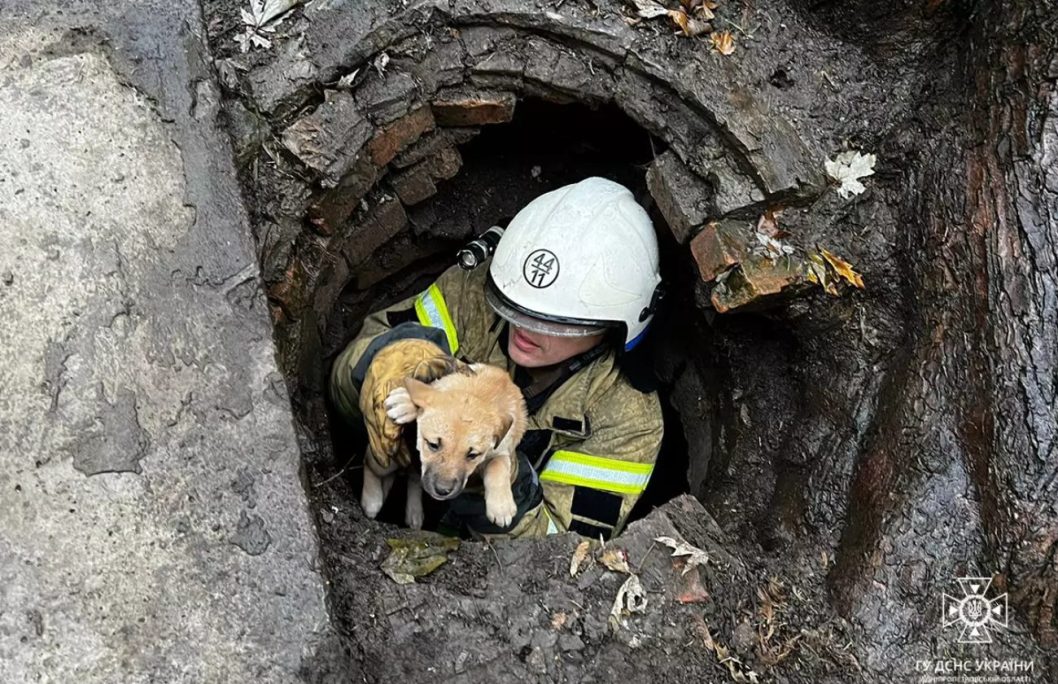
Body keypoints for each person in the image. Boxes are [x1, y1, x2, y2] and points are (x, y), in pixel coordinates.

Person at [329, 177, 665, 539]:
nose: (526, 330)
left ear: (619, 325)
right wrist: (385, 364)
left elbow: (558, 554)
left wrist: (491, 470)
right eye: (514, 307)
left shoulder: (629, 421)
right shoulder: (471, 290)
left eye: (557, 323)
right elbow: (341, 385)